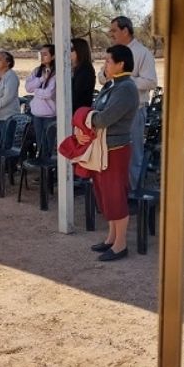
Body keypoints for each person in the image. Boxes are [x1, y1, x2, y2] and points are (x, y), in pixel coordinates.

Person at [81, 44, 138, 262]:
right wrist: (91, 116)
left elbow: (104, 118)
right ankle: (111, 238)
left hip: (116, 149)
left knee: (115, 195)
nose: (105, 64)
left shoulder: (126, 88)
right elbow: (97, 110)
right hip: (104, 147)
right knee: (105, 194)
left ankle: (120, 244)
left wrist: (85, 117)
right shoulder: (113, 85)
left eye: (108, 61)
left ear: (120, 64)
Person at [98, 16, 157, 191]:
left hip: (134, 111)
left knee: (133, 154)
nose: (111, 34)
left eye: (114, 30)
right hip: (112, 112)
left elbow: (151, 81)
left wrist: (125, 81)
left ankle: (132, 193)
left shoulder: (142, 53)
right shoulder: (114, 52)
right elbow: (102, 77)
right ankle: (117, 192)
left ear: (125, 30)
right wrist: (108, 76)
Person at [25, 44, 57, 158]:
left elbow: (49, 93)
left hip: (50, 115)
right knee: (40, 144)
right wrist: (41, 79)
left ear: (53, 56)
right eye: (41, 54)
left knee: (49, 145)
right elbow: (28, 87)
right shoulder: (37, 71)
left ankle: (48, 167)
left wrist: (36, 90)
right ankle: (42, 167)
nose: (42, 56)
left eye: (45, 54)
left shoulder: (56, 73)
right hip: (37, 115)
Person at [71, 38, 96, 113]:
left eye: (71, 50)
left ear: (79, 51)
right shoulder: (76, 68)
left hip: (79, 112)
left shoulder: (85, 70)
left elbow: (76, 95)